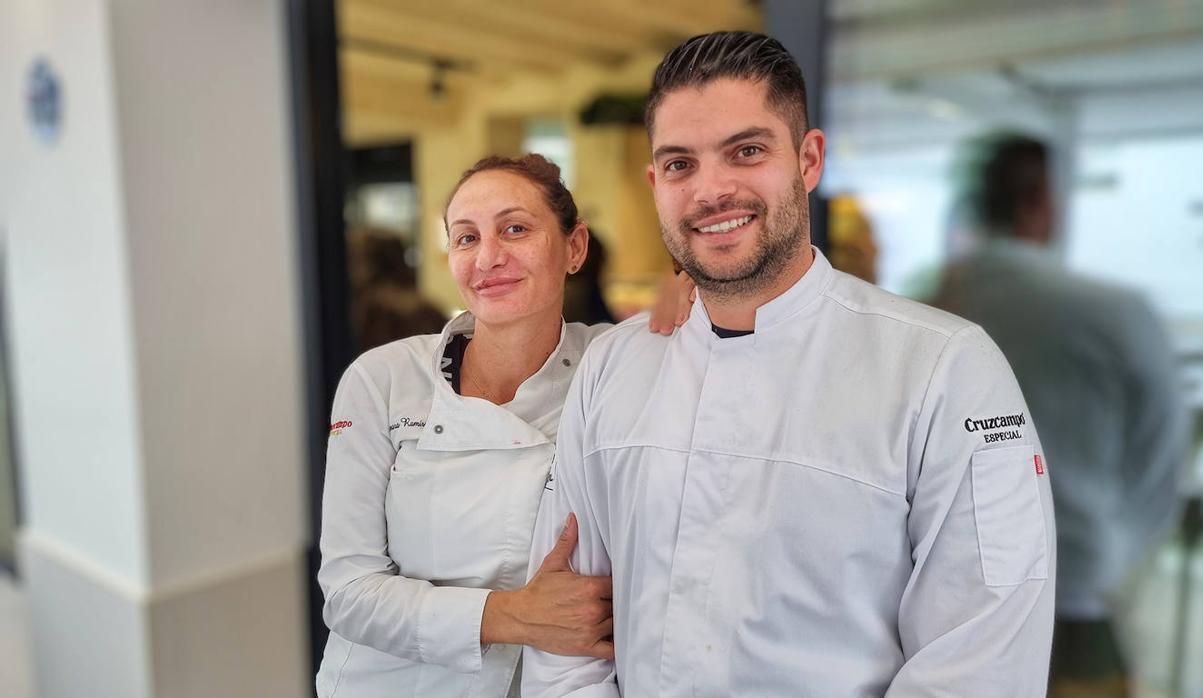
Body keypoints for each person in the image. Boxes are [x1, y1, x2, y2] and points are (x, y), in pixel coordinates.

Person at [524, 31, 1055, 697]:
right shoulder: (612, 367)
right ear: (655, 182)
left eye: (746, 152)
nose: (711, 190)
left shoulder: (946, 370)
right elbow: (565, 629)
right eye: (680, 164)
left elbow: (982, 662)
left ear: (808, 161)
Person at [316, 154, 693, 697]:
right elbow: (348, 593)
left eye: (515, 229)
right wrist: (513, 614)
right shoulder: (384, 378)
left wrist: (699, 292)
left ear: (575, 248)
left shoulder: (615, 364)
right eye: (466, 238)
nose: (488, 257)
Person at [928, 132, 1187, 698]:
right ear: (1043, 200)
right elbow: (1161, 463)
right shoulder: (1115, 314)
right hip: (1074, 602)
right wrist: (1106, 558)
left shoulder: (929, 305)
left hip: (944, 606)